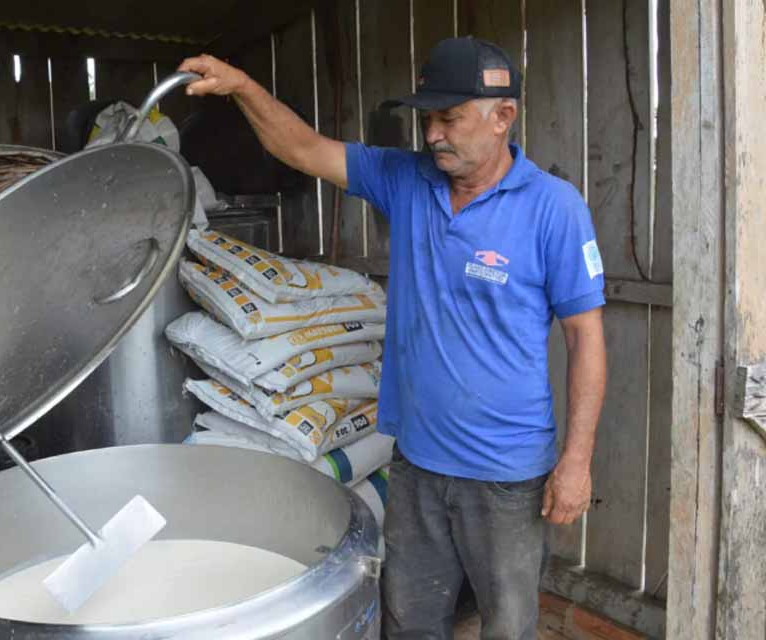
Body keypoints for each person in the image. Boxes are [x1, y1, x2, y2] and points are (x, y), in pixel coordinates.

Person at [179, 36, 607, 640]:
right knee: (408, 621)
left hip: (507, 475)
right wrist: (244, 87)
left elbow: (586, 337)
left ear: (502, 116)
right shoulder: (406, 181)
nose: (433, 134)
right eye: (428, 119)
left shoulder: (552, 208)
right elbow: (300, 148)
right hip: (417, 467)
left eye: (449, 119)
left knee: (508, 627)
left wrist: (578, 461)